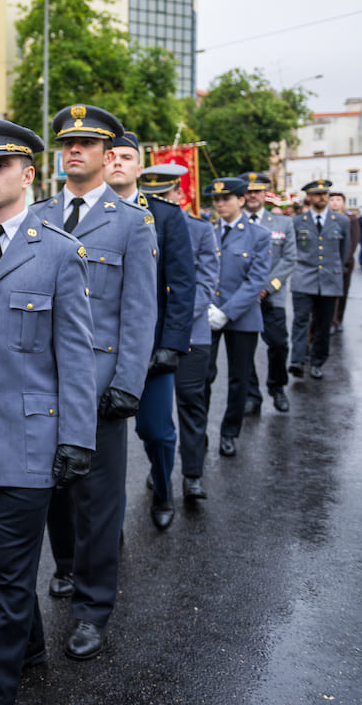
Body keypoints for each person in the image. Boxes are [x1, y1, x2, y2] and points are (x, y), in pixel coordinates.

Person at [0, 118, 96, 704]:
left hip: (30, 443)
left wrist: (77, 437)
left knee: (8, 577)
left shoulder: (58, 252)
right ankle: (30, 643)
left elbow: (77, 356)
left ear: (28, 174)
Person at [32, 104, 157, 660]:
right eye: (67, 143)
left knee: (98, 500)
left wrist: (129, 381)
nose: (74, 150)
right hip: (43, 381)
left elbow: (139, 312)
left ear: (110, 156)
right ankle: (65, 567)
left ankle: (93, 607)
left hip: (102, 384)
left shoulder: (133, 223)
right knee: (54, 489)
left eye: (86, 143)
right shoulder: (37, 214)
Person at [106, 137, 194, 530]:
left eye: (127, 157)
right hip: (99, 349)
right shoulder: (81, 216)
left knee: (155, 432)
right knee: (101, 445)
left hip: (151, 349)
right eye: (111, 157)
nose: (118, 163)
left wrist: (172, 343)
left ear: (140, 168)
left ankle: (162, 489)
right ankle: (110, 523)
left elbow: (182, 285)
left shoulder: (166, 216)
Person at [147, 170, 219, 501]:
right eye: (151, 196)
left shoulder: (200, 230)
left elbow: (204, 283)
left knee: (191, 405)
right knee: (156, 418)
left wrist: (175, 318)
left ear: (179, 193)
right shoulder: (139, 225)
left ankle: (193, 474)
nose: (159, 202)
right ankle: (157, 468)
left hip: (191, 333)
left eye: (166, 194)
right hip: (151, 335)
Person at [204, 177, 271, 458]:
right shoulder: (206, 229)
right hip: (207, 315)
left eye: (227, 199)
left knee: (238, 378)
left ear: (242, 200)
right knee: (203, 376)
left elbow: (256, 281)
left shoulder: (259, 234)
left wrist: (227, 312)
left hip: (242, 318)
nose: (220, 204)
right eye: (217, 199)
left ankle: (230, 432)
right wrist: (207, 305)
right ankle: (197, 434)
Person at [241, 172, 295, 415]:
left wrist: (267, 286)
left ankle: (277, 387)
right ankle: (252, 395)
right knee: (244, 350)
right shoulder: (235, 221)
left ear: (265, 195)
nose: (253, 196)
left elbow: (289, 259)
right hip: (242, 298)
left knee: (279, 345)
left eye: (258, 191)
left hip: (271, 297)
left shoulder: (283, 223)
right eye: (249, 191)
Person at [290, 180, 350, 379]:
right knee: (301, 321)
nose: (322, 197)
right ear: (309, 197)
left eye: (325, 193)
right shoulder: (298, 222)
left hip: (330, 280)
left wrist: (336, 271)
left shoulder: (340, 221)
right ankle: (297, 360)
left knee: (324, 324)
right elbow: (292, 250)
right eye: (317, 194)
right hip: (303, 278)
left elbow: (344, 251)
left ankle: (317, 361)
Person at [329, 191, 357, 334]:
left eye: (338, 200)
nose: (335, 202)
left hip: (345, 262)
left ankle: (339, 319)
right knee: (330, 292)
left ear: (343, 203)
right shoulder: (326, 218)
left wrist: (345, 258)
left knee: (343, 292)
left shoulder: (350, 219)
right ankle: (331, 321)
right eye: (332, 199)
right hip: (328, 261)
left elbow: (353, 240)